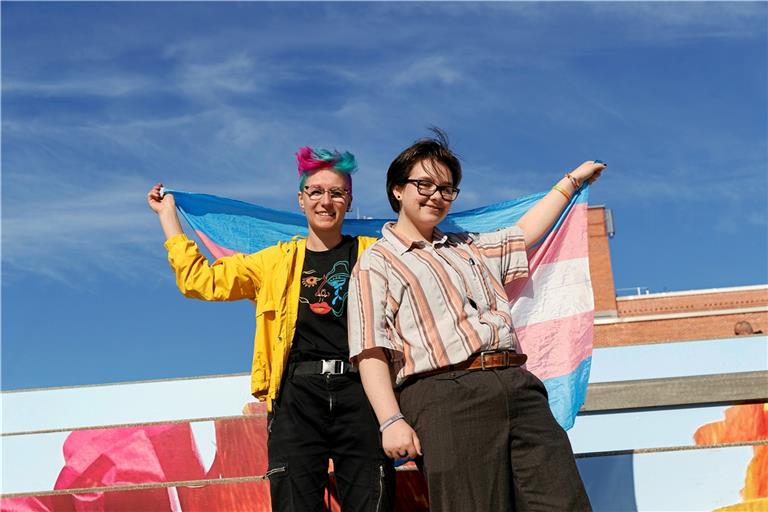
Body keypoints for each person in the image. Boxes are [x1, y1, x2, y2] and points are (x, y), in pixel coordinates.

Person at [347, 130, 604, 511]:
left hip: (518, 385)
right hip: (445, 395)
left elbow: (524, 234)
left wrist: (571, 181)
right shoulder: (377, 262)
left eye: (446, 189)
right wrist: (390, 421)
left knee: (564, 502)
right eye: (424, 184)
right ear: (398, 190)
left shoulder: (469, 245)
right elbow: (370, 349)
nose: (436, 195)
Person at [147, 147, 394, 512]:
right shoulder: (274, 262)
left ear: (349, 200)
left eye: (337, 193)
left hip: (363, 391)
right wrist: (168, 217)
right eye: (316, 191)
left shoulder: (377, 254)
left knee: (372, 503)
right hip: (296, 396)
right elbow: (201, 281)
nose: (326, 201)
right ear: (301, 199)